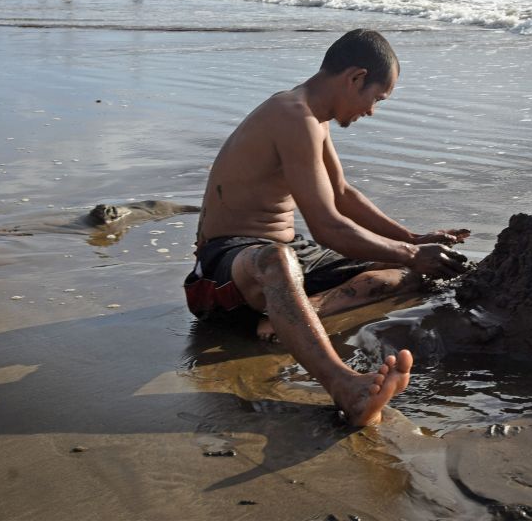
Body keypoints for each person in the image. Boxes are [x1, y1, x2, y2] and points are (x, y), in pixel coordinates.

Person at [186, 29, 470, 426]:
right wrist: (411, 252)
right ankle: (344, 386)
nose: (372, 110)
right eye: (376, 98)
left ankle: (298, 312)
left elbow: (341, 194)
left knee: (412, 274)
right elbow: (327, 227)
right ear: (355, 78)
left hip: (287, 253)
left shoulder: (314, 119)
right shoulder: (291, 115)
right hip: (225, 268)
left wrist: (412, 240)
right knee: (278, 260)